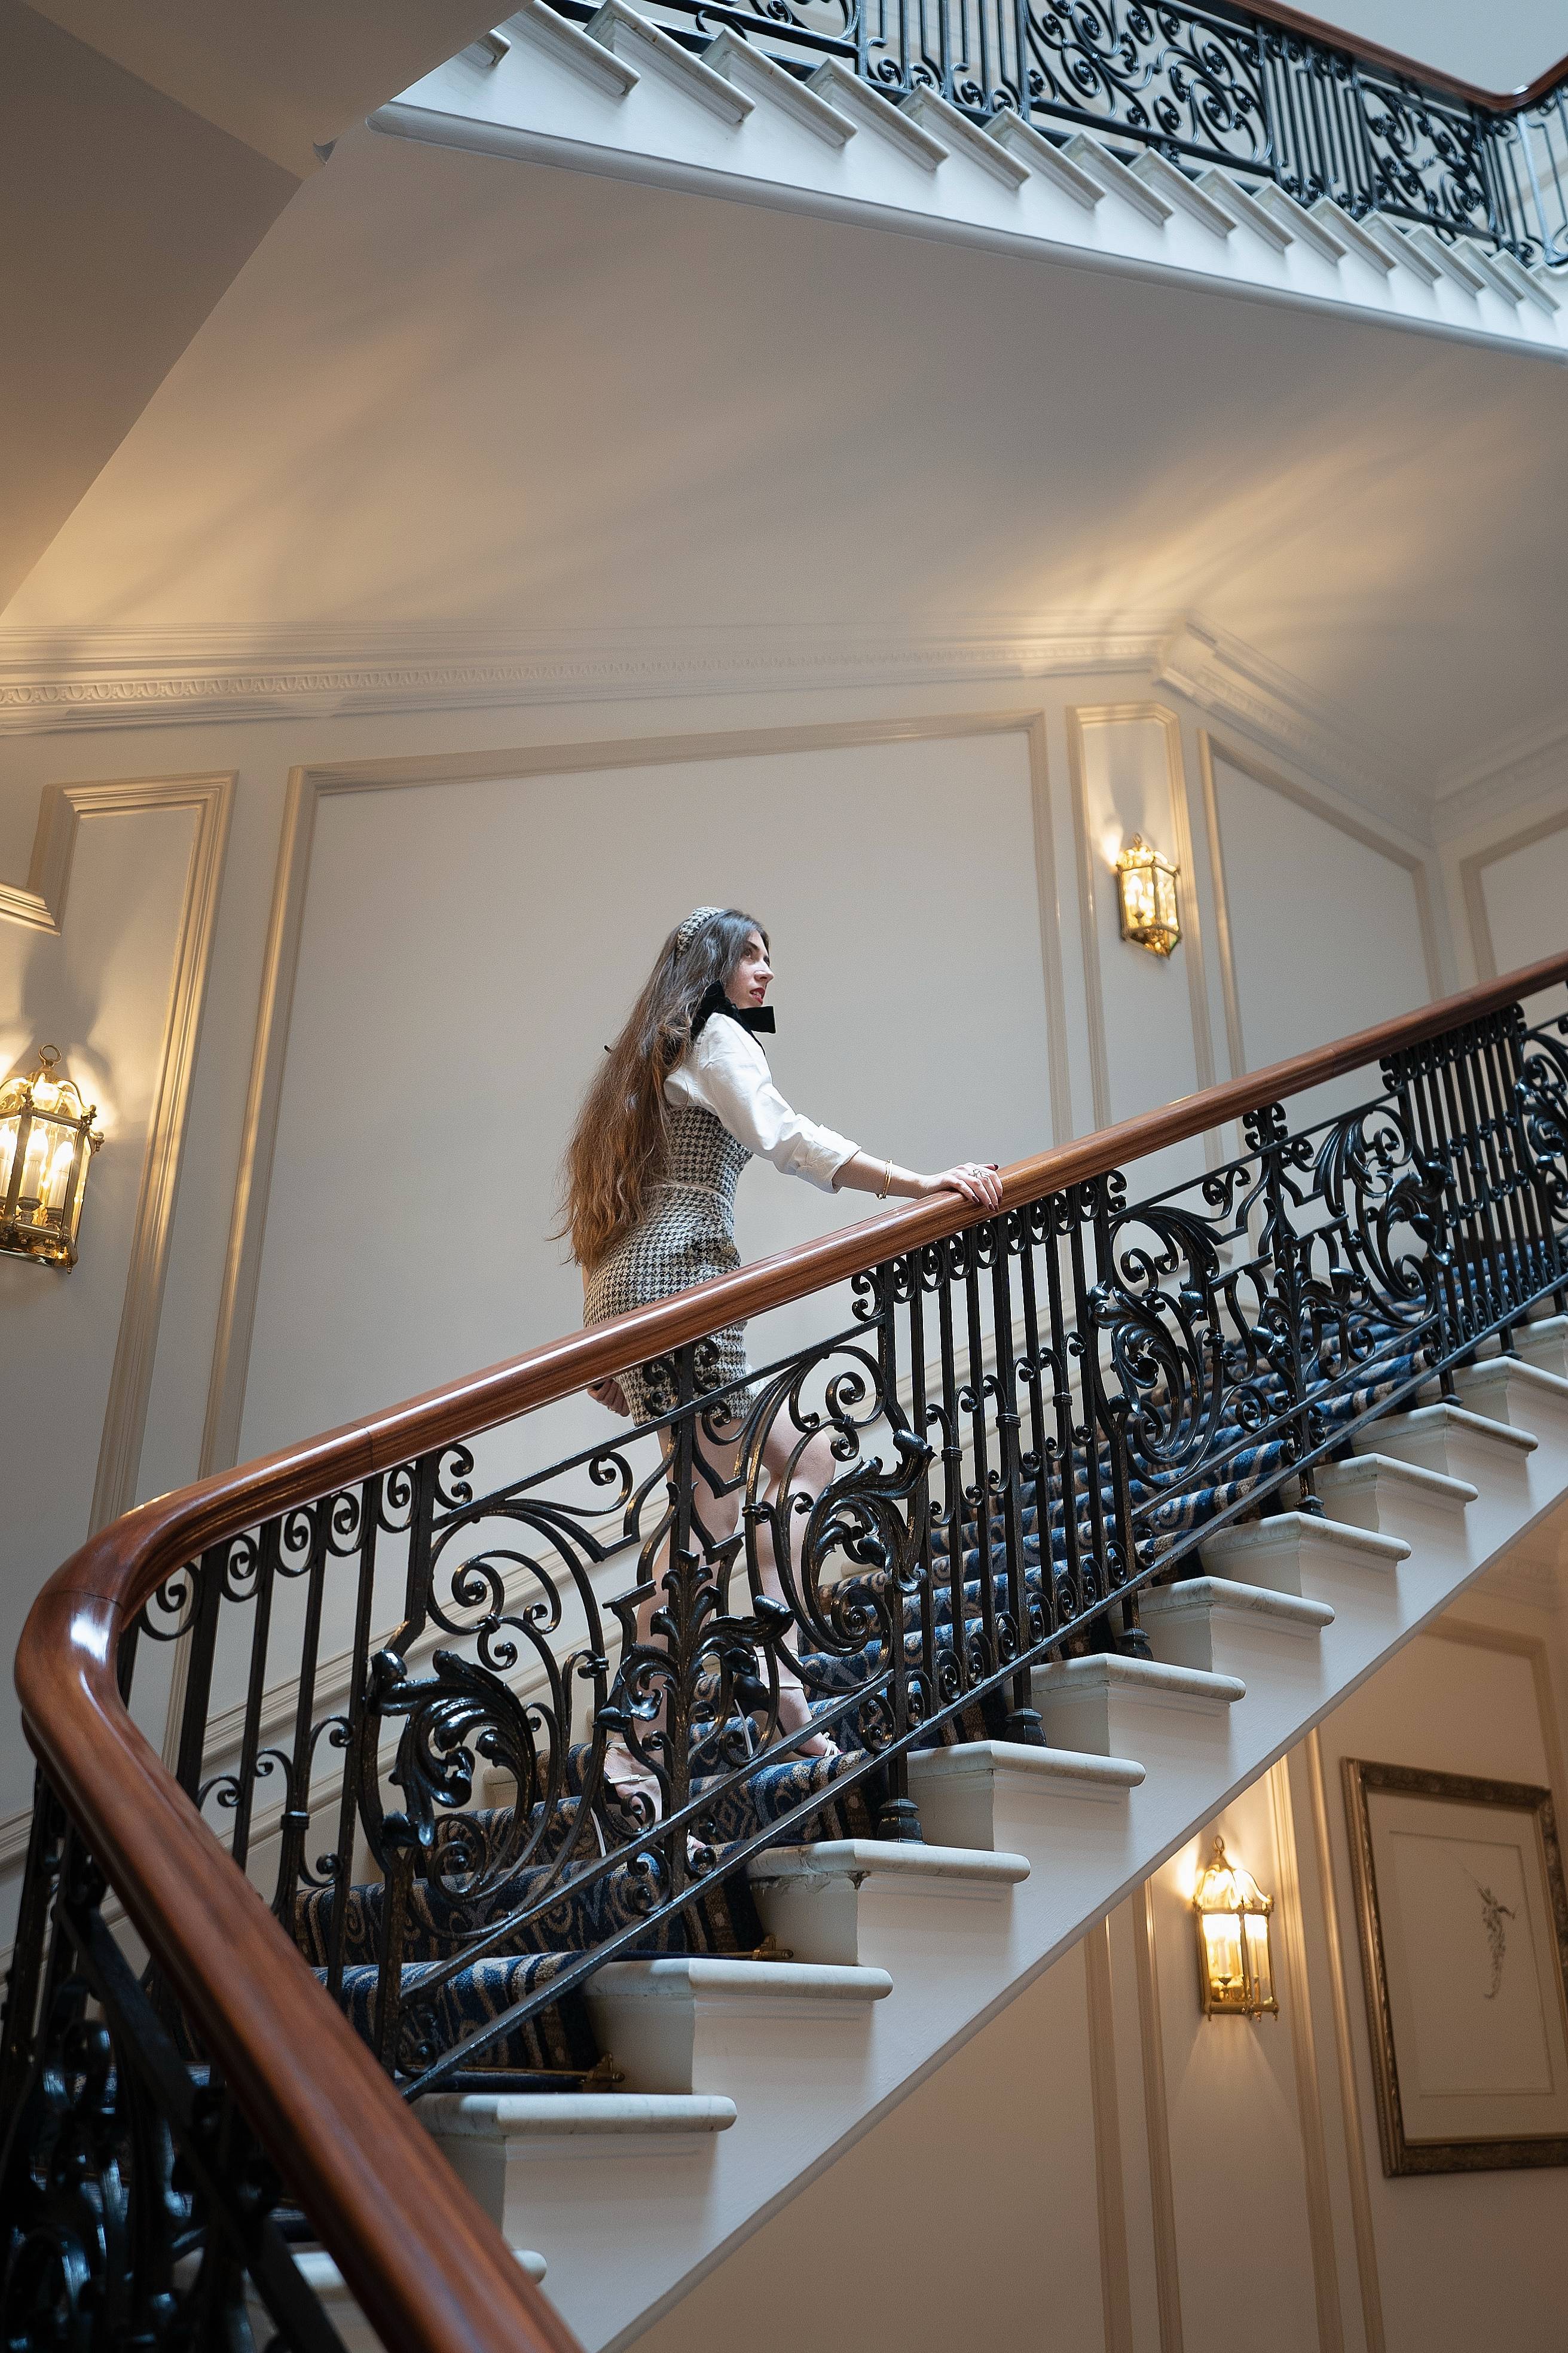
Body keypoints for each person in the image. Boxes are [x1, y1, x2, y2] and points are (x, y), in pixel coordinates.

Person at [561, 904, 1001, 1801]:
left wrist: (603, 1330)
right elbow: (784, 1135)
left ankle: (772, 1675)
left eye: (770, 957)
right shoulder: (718, 1035)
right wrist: (915, 1185)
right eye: (752, 955)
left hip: (642, 1284)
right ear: (712, 967)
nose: (766, 972)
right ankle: (637, 1736)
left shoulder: (654, 1055)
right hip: (684, 1282)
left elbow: (614, 1206)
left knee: (782, 1467)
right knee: (702, 1525)